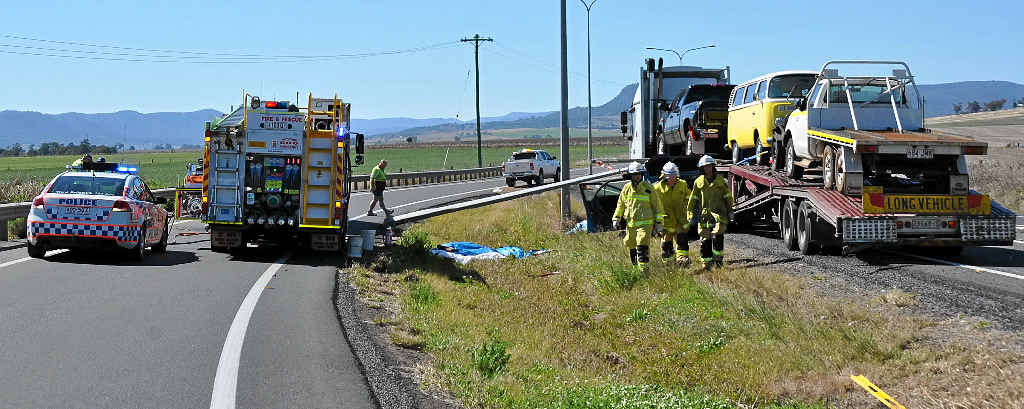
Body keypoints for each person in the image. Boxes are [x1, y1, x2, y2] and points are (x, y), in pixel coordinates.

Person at [612, 162, 664, 273]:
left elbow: (657, 206)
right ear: (630, 175)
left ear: (642, 175)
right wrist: (616, 218)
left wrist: (659, 222)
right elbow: (620, 205)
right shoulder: (626, 188)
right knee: (631, 244)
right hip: (630, 224)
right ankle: (635, 268)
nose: (637, 176)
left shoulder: (648, 188)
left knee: (642, 242)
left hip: (645, 224)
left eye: (639, 174)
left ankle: (644, 270)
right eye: (635, 174)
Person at [687, 155, 734, 269]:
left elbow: (728, 197)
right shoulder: (698, 181)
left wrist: (730, 210)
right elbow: (693, 198)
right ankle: (707, 264)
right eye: (705, 167)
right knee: (705, 240)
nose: (707, 169)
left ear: (713, 167)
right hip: (704, 215)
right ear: (701, 169)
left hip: (719, 214)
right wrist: (690, 213)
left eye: (709, 166)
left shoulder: (721, 181)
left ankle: (718, 262)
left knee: (718, 236)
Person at [653, 162, 691, 264]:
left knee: (682, 240)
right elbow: (654, 205)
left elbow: (689, 198)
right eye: (669, 176)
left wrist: (689, 212)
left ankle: (682, 260)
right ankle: (668, 262)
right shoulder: (657, 188)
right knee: (667, 243)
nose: (671, 178)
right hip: (667, 220)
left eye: (673, 175)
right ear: (664, 176)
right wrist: (656, 222)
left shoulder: (682, 184)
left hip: (680, 219)